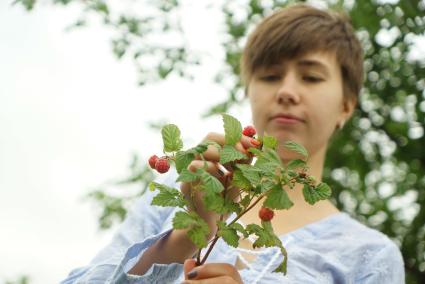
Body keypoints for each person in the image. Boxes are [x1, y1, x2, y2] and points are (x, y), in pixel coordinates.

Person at [61, 3, 405, 284]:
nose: (286, 91)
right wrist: (186, 237)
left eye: (311, 76)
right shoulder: (178, 192)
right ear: (248, 91)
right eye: (270, 76)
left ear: (346, 104)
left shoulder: (369, 255)